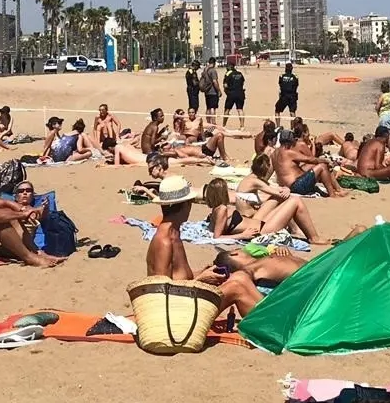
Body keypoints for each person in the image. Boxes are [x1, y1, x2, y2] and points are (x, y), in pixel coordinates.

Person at [144, 176, 262, 316]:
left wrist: (203, 272)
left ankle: (270, 322)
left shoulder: (173, 234)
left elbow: (179, 277)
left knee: (239, 276)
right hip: (174, 311)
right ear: (186, 205)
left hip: (183, 299)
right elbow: (160, 291)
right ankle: (269, 326)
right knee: (238, 285)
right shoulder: (164, 241)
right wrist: (200, 280)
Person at [201, 176, 322, 243]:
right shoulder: (222, 209)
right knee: (296, 201)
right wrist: (243, 235)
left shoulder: (216, 210)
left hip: (258, 222)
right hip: (262, 230)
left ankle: (295, 230)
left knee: (279, 197)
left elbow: (215, 228)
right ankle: (314, 238)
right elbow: (217, 237)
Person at [275, 129, 344, 197]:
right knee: (322, 166)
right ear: (290, 140)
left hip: (285, 186)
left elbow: (269, 171)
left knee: (311, 167)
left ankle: (336, 189)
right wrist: (326, 161)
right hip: (296, 187)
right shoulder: (288, 152)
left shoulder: (274, 153)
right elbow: (310, 159)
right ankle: (332, 195)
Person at [222, 62, 247, 129]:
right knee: (240, 109)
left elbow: (225, 85)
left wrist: (226, 90)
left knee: (227, 109)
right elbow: (243, 82)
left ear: (230, 67)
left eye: (227, 66)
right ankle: (242, 126)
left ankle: (224, 125)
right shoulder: (240, 73)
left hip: (231, 93)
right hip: (240, 93)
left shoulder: (228, 73)